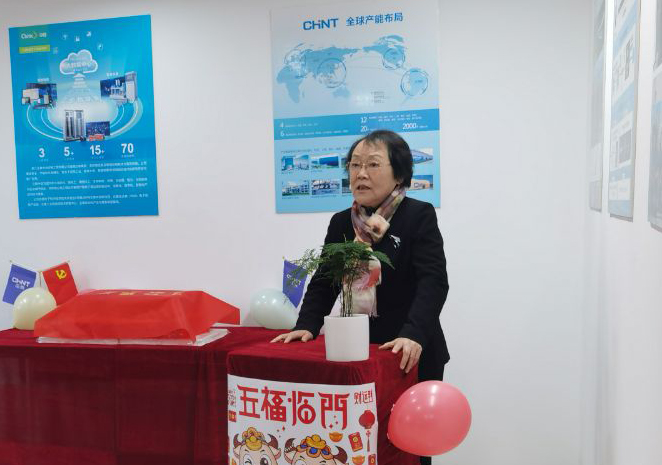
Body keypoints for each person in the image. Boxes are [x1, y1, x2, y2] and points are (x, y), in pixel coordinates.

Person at [271, 130, 449, 465]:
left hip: (409, 352)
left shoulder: (418, 215)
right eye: (354, 165)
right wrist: (306, 324)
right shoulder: (342, 222)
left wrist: (412, 334)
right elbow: (325, 280)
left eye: (372, 164)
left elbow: (434, 282)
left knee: (411, 448)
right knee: (360, 444)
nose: (360, 173)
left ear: (399, 174)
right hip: (357, 352)